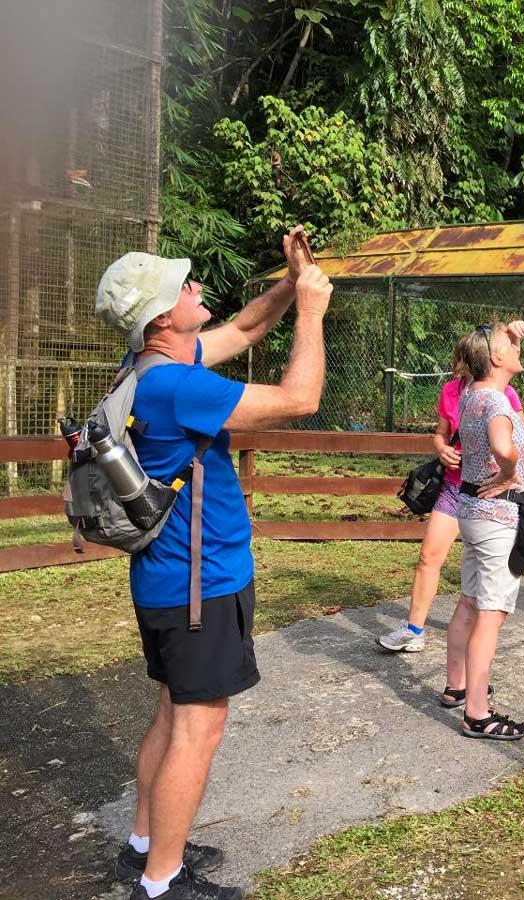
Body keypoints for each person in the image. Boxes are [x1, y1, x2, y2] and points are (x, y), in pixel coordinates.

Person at [95, 228, 331, 900]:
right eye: (184, 286)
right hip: (201, 587)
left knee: (174, 713)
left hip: (166, 582)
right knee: (198, 728)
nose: (196, 287)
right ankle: (162, 883)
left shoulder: (143, 366)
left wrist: (292, 280)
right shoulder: (176, 386)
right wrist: (312, 312)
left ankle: (145, 844)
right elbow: (299, 399)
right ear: (163, 316)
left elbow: (247, 327)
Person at [376, 332, 524, 653]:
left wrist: (509, 476)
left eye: (463, 356)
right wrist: (442, 449)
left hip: (489, 493)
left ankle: (484, 632)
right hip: (454, 487)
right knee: (429, 557)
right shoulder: (450, 392)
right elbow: (441, 434)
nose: (459, 364)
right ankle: (414, 630)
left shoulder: (505, 394)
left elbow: (520, 440)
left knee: (486, 576)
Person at [444, 321, 524, 740]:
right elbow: (503, 447)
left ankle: (457, 686)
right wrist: (512, 471)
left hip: (472, 510)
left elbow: (489, 347)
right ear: (495, 358)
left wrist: (505, 331)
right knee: (491, 614)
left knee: (469, 600)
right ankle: (478, 714)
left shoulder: (471, 394)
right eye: (509, 346)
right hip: (498, 515)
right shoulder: (496, 403)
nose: (518, 349)